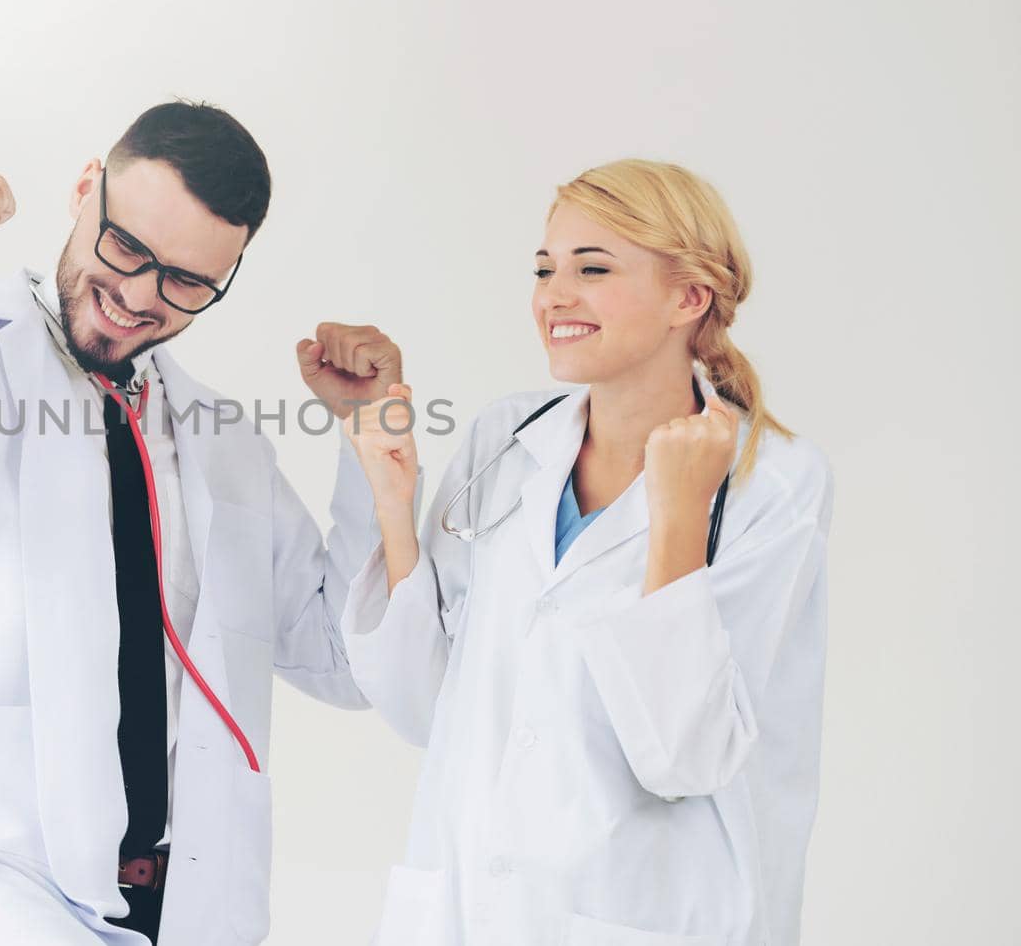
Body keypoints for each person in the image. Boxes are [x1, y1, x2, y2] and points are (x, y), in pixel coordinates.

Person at [0, 101, 402, 945]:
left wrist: (367, 433)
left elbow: (347, 661)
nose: (137, 296)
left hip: (189, 908)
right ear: (87, 188)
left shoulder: (219, 439)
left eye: (187, 282)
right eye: (125, 247)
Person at [341, 159, 834, 946]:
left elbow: (685, 757)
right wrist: (396, 510)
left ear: (689, 296)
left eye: (592, 268)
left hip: (648, 913)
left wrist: (677, 517)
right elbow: (426, 706)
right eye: (544, 269)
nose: (553, 296)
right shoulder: (507, 438)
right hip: (463, 909)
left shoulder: (770, 482)